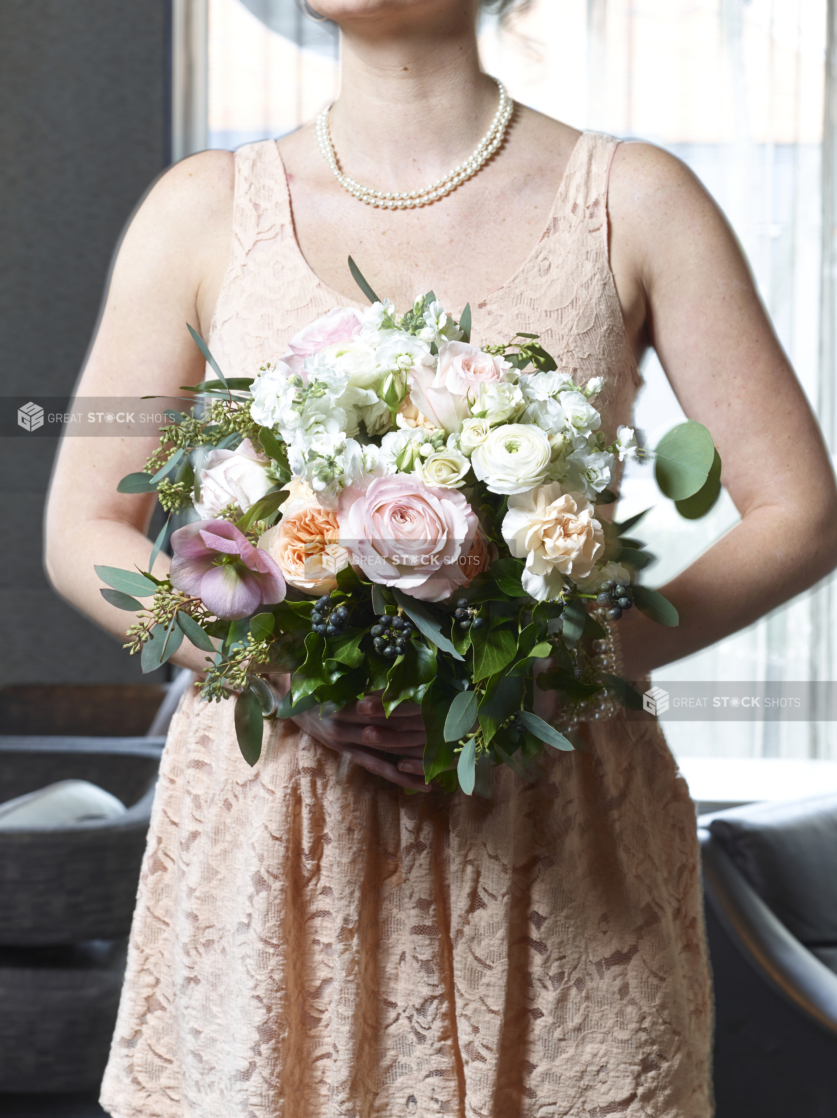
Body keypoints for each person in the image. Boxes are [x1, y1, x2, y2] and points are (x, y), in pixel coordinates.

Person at [44, 0, 837, 1114]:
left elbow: (798, 508)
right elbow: (85, 528)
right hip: (279, 831)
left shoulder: (636, 199)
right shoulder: (204, 210)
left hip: (554, 827)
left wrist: (569, 662)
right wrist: (271, 670)